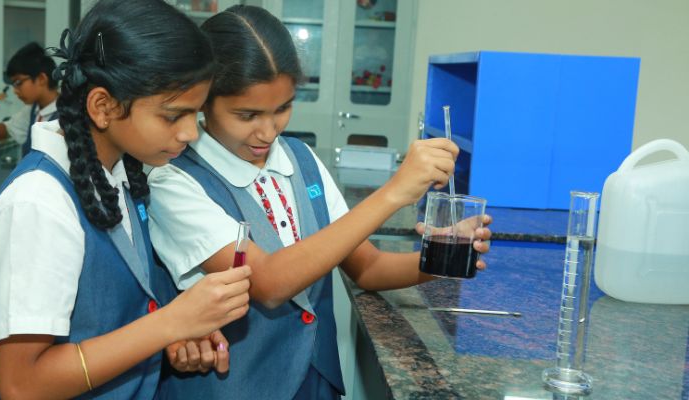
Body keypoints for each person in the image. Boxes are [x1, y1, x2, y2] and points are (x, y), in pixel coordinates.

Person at [148, 5, 493, 400]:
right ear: (204, 101)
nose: (268, 131)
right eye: (247, 115)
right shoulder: (175, 181)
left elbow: (369, 267)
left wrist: (442, 256)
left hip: (315, 382)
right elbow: (269, 283)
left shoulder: (301, 160)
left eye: (282, 109)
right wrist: (393, 192)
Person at [0, 1, 251, 398]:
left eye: (196, 114)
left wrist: (177, 329)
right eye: (173, 115)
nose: (191, 133)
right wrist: (170, 323)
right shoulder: (38, 205)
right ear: (103, 107)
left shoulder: (120, 173)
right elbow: (22, 385)